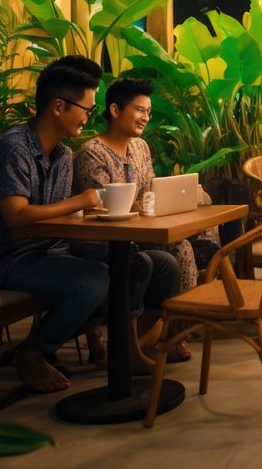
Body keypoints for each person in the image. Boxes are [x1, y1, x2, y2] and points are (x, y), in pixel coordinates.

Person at [0, 56, 112, 393]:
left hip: (48, 249)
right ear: (58, 106)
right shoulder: (14, 148)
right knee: (93, 280)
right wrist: (82, 202)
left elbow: (57, 216)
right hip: (9, 258)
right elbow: (16, 217)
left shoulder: (63, 155)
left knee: (131, 262)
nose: (88, 117)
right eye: (86, 109)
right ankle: (33, 354)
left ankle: (121, 349)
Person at [73, 77, 199, 365]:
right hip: (102, 240)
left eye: (149, 112)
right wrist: (143, 206)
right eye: (140, 110)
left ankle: (153, 339)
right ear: (115, 110)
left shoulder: (140, 147)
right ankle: (145, 343)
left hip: (140, 233)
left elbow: (150, 191)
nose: (146, 117)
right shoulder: (92, 153)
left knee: (184, 247)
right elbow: (105, 208)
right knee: (169, 254)